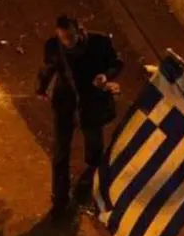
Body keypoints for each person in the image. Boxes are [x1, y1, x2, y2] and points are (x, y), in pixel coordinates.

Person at [37, 15, 123, 219]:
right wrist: (41, 87)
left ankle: (89, 181)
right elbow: (49, 68)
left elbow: (117, 63)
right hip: (66, 102)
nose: (68, 42)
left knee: (94, 146)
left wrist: (106, 76)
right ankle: (60, 198)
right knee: (60, 150)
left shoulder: (100, 43)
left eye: (71, 37)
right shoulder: (53, 46)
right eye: (63, 38)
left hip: (91, 103)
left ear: (80, 31)